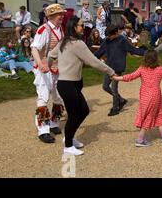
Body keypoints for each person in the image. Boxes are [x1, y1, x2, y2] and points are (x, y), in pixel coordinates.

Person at [49, 16, 116, 156]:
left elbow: (51, 55)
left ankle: (70, 137)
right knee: (74, 115)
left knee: (84, 110)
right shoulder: (77, 43)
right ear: (74, 27)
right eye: (81, 25)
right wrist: (110, 71)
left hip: (70, 84)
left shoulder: (64, 41)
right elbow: (93, 61)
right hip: (67, 84)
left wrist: (48, 66)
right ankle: (67, 146)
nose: (83, 27)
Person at [113, 50, 162, 147]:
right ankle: (140, 139)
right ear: (156, 58)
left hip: (144, 97)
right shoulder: (159, 69)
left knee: (157, 112)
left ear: (145, 58)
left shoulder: (142, 69)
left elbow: (130, 77)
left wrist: (118, 78)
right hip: (155, 96)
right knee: (149, 116)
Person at [31, 4, 66, 144]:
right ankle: (43, 131)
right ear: (50, 16)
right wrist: (40, 65)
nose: (61, 16)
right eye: (59, 14)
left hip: (57, 68)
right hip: (44, 69)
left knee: (58, 97)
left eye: (62, 14)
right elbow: (34, 48)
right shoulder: (43, 30)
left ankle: (54, 123)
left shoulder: (60, 29)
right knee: (43, 98)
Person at [94, 25, 146, 117]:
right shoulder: (107, 41)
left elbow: (132, 50)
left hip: (118, 68)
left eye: (110, 35)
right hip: (109, 68)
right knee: (105, 86)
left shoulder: (122, 40)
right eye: (107, 36)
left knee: (114, 89)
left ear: (116, 33)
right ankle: (121, 100)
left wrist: (146, 52)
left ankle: (115, 108)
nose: (108, 37)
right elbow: (99, 52)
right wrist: (89, 58)